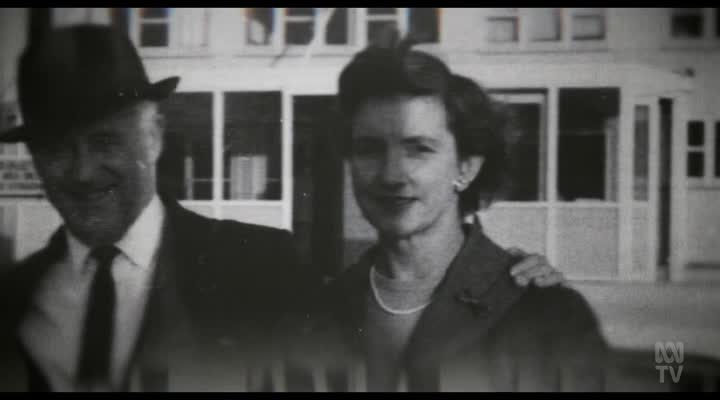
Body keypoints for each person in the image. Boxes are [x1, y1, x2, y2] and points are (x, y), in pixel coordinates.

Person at [0, 25, 563, 392]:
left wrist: (490, 277)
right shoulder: (12, 302)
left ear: (154, 135)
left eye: (105, 141)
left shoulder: (262, 265)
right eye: (56, 148)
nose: (82, 171)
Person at [287, 41, 609, 392]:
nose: (392, 174)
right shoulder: (319, 315)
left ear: (466, 167)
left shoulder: (547, 315)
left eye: (419, 149)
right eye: (369, 149)